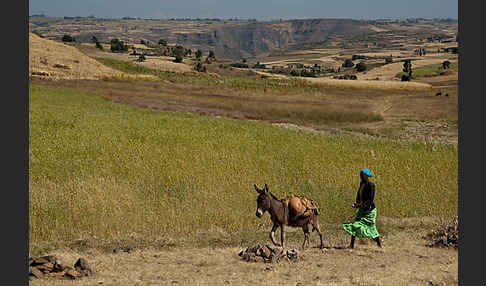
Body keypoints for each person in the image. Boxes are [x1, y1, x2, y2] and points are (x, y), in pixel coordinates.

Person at [342, 168, 382, 249]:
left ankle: (379, 244)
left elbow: (370, 199)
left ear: (366, 176)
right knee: (355, 225)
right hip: (362, 208)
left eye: (362, 174)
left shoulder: (371, 185)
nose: (360, 175)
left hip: (369, 210)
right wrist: (357, 204)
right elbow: (359, 195)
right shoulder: (362, 184)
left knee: (371, 228)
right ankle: (351, 245)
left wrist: (362, 205)